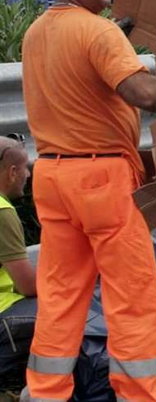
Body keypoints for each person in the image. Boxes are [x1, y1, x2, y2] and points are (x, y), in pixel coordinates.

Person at [20, 0, 156, 401]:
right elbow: (144, 94)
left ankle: (44, 392)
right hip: (101, 179)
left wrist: (115, 35)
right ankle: (138, 393)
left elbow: (79, 77)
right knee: (133, 294)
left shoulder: (38, 31)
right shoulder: (98, 32)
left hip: (52, 175)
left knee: (62, 295)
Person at [0, 135, 38, 389]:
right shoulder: (2, 211)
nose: (28, 174)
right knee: (74, 314)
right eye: (25, 167)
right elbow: (28, 286)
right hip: (3, 312)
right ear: (12, 172)